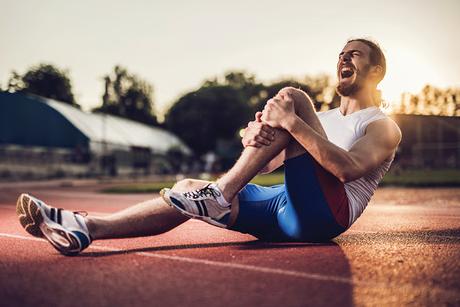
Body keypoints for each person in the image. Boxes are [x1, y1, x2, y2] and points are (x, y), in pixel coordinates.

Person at [16, 38, 401, 256]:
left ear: (375, 70)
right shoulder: (326, 119)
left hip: (326, 216)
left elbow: (348, 168)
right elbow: (271, 165)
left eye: (354, 54)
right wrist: (257, 139)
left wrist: (291, 120)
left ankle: (217, 194)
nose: (343, 58)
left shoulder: (381, 126)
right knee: (186, 188)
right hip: (283, 204)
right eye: (341, 54)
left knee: (292, 97)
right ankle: (86, 228)